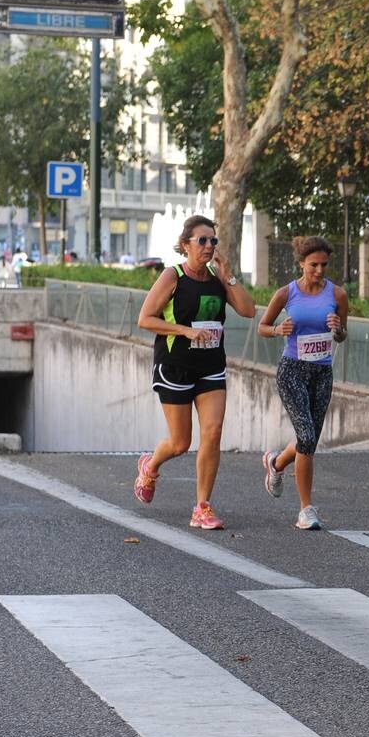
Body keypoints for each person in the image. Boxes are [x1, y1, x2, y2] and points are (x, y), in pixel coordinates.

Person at [133, 215, 256, 528]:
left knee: (213, 433)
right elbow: (145, 319)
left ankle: (203, 506)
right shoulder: (172, 276)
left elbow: (248, 311)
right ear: (185, 244)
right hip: (175, 365)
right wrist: (184, 331)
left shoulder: (218, 278)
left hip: (211, 366)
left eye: (213, 241)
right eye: (202, 240)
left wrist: (229, 278)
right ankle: (150, 465)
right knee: (180, 443)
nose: (209, 246)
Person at [257, 236, 349, 530]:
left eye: (324, 265)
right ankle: (306, 510)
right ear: (301, 264)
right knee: (307, 437)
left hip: (322, 372)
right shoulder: (287, 294)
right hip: (292, 370)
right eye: (313, 265)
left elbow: (343, 334)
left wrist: (338, 330)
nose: (319, 270)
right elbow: (262, 327)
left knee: (308, 440)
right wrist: (277, 329)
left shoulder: (338, 295)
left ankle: (275, 463)